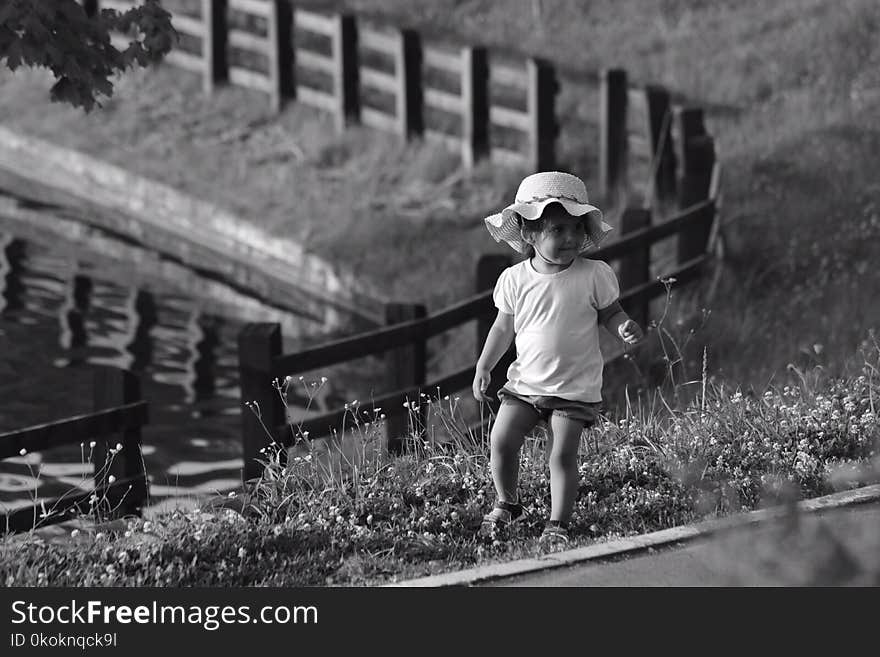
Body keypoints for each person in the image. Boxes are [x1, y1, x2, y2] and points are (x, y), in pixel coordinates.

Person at [474, 171, 643, 548]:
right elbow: (503, 329)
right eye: (557, 230)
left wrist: (624, 327)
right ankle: (507, 502)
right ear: (530, 235)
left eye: (575, 228)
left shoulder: (593, 275)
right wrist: (485, 365)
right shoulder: (515, 280)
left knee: (561, 453)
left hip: (573, 388)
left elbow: (611, 314)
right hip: (525, 384)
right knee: (501, 439)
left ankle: (557, 523)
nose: (569, 238)